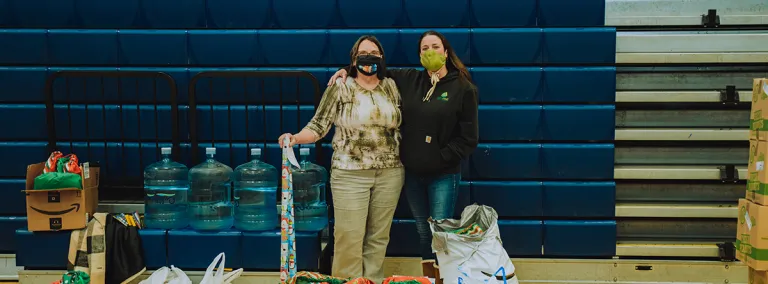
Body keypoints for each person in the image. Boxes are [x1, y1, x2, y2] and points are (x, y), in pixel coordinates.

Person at [328, 30, 479, 283]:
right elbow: (371, 67)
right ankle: (429, 279)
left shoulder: (463, 87)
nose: (430, 52)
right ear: (419, 55)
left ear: (445, 52)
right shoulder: (409, 80)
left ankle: (444, 279)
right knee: (422, 232)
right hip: (412, 175)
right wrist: (346, 69)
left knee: (439, 231)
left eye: (435, 47)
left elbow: (468, 138)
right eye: (424, 48)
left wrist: (440, 157)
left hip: (443, 174)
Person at [278, 35, 404, 282]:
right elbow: (318, 125)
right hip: (349, 172)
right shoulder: (341, 86)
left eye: (374, 53)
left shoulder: (391, 85)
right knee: (349, 235)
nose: (369, 57)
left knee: (379, 237)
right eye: (363, 53)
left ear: (382, 58)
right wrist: (295, 138)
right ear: (353, 60)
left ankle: (373, 280)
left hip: (390, 172)